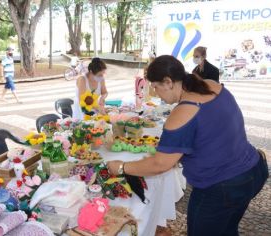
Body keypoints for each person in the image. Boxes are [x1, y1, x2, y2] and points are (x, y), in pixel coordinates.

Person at [107, 55, 268, 236]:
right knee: (227, 229)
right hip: (253, 171)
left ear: (168, 82)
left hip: (221, 187)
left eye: (155, 87)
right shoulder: (211, 85)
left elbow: (160, 165)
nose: (155, 93)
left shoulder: (182, 112)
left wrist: (121, 167)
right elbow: (212, 132)